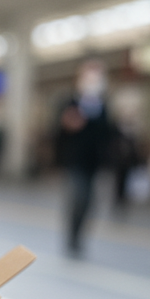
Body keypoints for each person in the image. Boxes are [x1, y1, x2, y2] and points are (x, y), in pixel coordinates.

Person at [55, 60, 113, 257]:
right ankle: (71, 236)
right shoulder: (70, 103)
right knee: (77, 198)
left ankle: (79, 237)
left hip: (94, 163)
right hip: (75, 161)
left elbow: (107, 134)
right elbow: (58, 133)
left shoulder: (102, 106)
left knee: (90, 202)